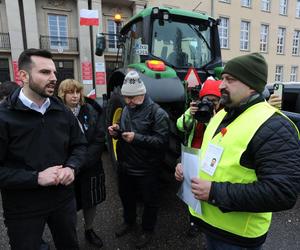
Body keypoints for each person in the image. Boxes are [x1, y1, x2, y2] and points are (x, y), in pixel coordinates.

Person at [175, 52, 300, 250]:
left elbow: (282, 193)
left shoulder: (275, 126)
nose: (221, 85)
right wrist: (187, 167)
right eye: (222, 78)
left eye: (230, 79)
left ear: (251, 85)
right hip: (210, 224)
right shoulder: (222, 114)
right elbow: (215, 155)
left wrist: (215, 192)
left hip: (237, 238)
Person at [0, 48, 87, 250]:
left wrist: (72, 167)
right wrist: (36, 178)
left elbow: (80, 145)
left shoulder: (62, 111)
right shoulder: (4, 117)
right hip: (23, 207)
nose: (53, 78)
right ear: (23, 75)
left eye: (54, 72)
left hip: (62, 201)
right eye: (45, 72)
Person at [108, 70, 169, 249]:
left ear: (143, 93)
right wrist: (117, 130)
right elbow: (126, 127)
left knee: (150, 202)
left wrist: (136, 138)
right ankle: (129, 222)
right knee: (126, 197)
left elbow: (162, 142)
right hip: (125, 166)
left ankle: (147, 230)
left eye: (133, 97)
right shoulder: (127, 108)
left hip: (146, 168)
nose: (129, 102)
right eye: (126, 98)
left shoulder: (158, 113)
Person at [58, 79, 106, 248]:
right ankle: (70, 233)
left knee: (90, 200)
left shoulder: (91, 110)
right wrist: (71, 165)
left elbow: (99, 139)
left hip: (90, 166)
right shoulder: (56, 114)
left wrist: (82, 162)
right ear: (62, 94)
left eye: (77, 92)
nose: (75, 96)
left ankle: (89, 229)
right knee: (68, 204)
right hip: (67, 169)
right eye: (70, 92)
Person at [176, 77, 222, 237]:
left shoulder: (221, 116)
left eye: (214, 101)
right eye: (206, 100)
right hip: (192, 156)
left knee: (206, 192)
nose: (209, 104)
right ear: (200, 99)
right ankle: (193, 221)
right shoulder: (194, 113)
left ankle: (208, 223)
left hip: (209, 160)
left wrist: (212, 118)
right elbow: (180, 126)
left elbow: (216, 136)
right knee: (191, 191)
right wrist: (190, 113)